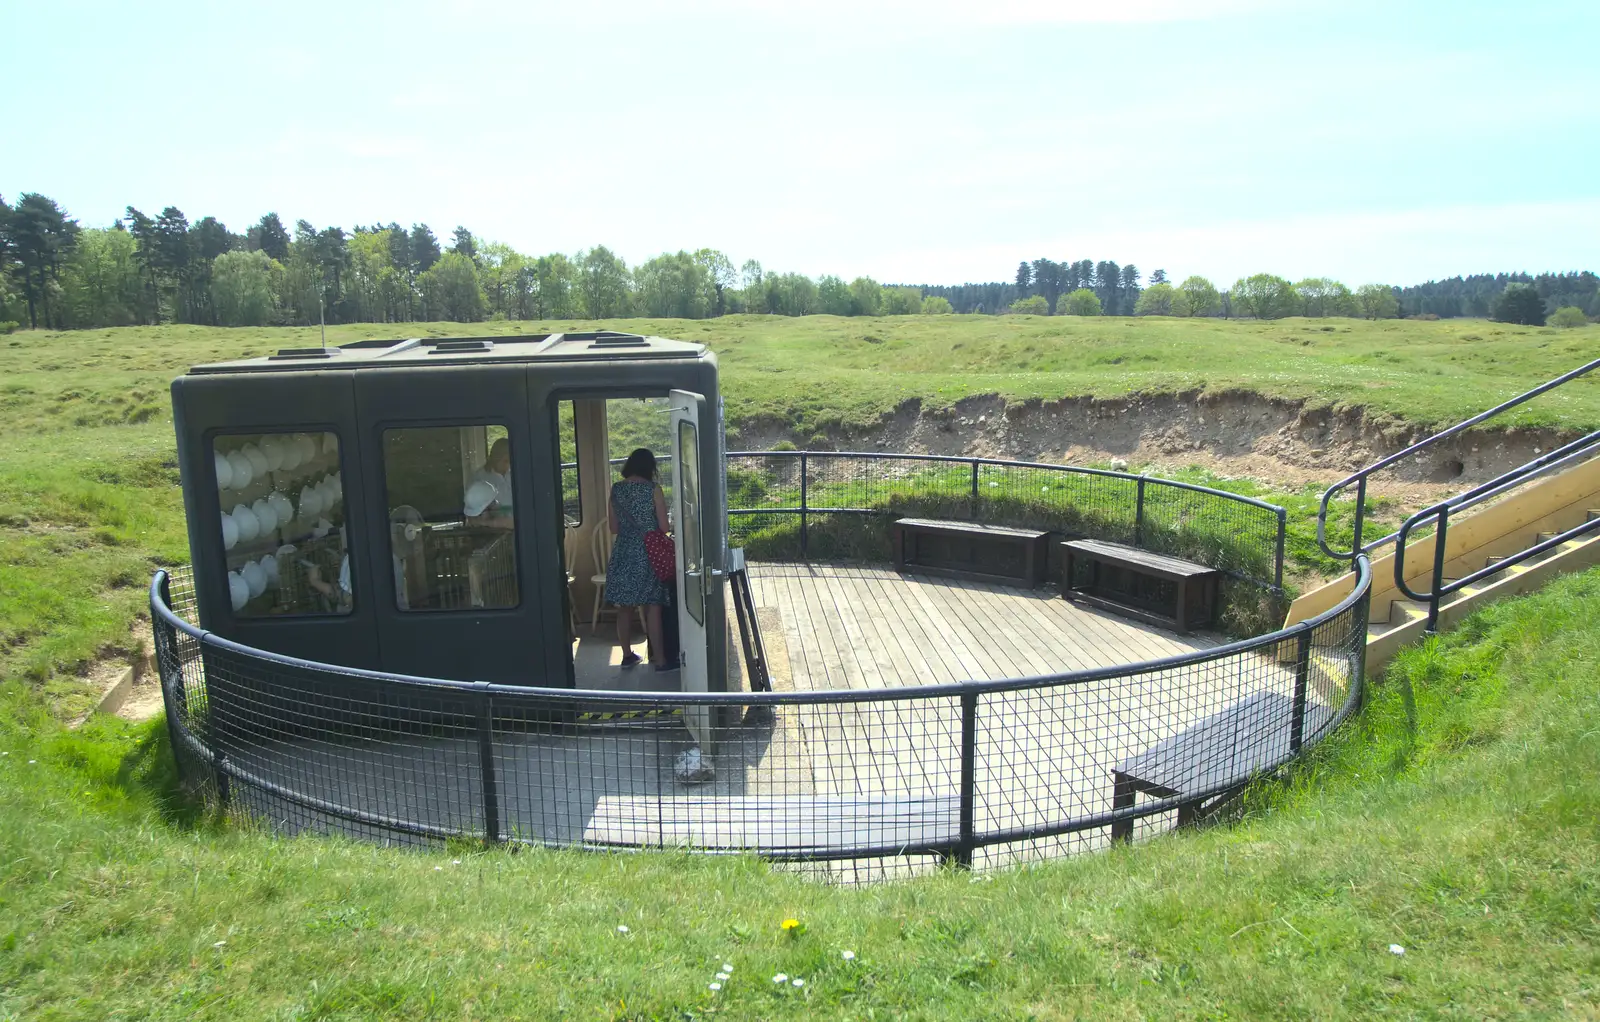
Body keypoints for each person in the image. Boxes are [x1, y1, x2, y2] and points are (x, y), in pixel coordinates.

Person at [607, 448, 672, 670]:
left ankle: (627, 656)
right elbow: (664, 527)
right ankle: (660, 659)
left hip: (624, 550)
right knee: (653, 605)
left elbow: (613, 527)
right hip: (648, 552)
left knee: (624, 607)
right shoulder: (653, 490)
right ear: (649, 467)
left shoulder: (616, 490)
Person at [466, 437, 514, 529]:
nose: (508, 465)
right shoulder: (478, 479)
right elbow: (472, 516)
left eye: (510, 461)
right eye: (505, 461)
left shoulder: (517, 473)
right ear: (495, 457)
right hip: (491, 532)